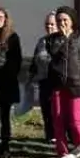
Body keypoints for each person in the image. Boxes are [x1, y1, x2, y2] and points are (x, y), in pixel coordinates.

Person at [46, 7, 80, 157]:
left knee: (76, 119)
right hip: (57, 84)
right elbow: (52, 53)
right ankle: (62, 151)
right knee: (58, 119)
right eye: (59, 20)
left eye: (65, 20)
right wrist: (62, 39)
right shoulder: (52, 39)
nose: (62, 23)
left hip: (76, 85)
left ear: (72, 21)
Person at [0, 7, 23, 158]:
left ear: (6, 19)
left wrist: (8, 73)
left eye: (1, 17)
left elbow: (17, 60)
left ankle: (5, 145)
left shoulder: (12, 37)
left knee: (5, 116)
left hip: (6, 82)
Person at [31, 10, 59, 148]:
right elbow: (35, 58)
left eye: (52, 24)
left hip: (58, 80)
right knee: (46, 109)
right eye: (47, 24)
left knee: (58, 110)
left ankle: (61, 135)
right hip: (44, 79)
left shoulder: (62, 40)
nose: (49, 27)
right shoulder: (41, 41)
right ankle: (50, 135)